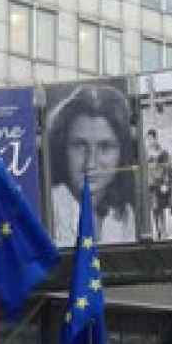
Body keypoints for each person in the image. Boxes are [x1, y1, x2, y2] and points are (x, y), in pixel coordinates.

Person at [45, 83, 138, 245]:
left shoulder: (124, 213)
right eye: (80, 146)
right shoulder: (49, 206)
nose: (91, 163)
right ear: (62, 147)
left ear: (122, 152)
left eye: (105, 147)